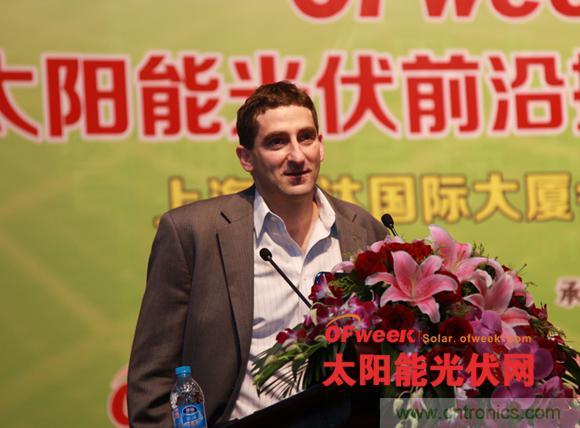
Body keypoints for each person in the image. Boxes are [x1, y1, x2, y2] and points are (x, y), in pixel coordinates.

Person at [127, 81, 388, 427]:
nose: (297, 156)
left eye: (306, 137)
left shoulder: (363, 230)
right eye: (277, 142)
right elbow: (152, 379)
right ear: (246, 158)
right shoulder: (192, 233)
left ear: (321, 145)